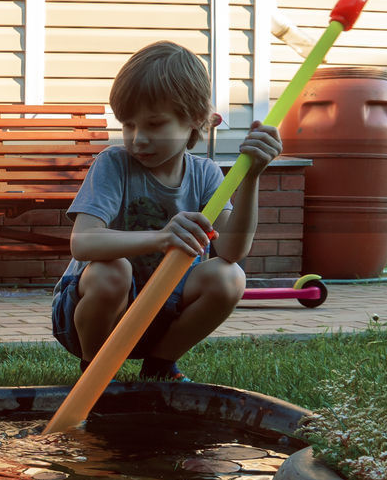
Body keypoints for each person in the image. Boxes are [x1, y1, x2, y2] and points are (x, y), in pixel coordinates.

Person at [52, 41, 282, 381]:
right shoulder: (114, 164)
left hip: (162, 314)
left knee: (229, 276)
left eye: (154, 125)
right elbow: (83, 243)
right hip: (94, 315)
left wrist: (252, 178)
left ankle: (159, 366)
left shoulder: (205, 174)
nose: (137, 139)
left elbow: (233, 251)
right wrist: (161, 238)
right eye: (127, 124)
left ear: (195, 120)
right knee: (112, 271)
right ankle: (96, 373)